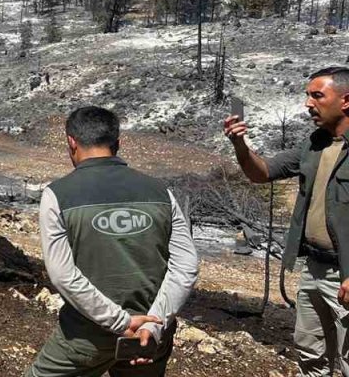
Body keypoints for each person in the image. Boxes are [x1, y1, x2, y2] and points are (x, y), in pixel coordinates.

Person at [26, 106, 198, 377]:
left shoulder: (58, 195)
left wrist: (122, 322)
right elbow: (186, 267)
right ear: (117, 143)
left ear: (71, 142)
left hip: (87, 337)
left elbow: (63, 275)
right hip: (150, 335)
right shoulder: (161, 192)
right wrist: (153, 324)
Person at [224, 66, 349, 376]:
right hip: (314, 268)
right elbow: (262, 172)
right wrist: (240, 143)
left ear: (346, 100)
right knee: (310, 354)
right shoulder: (315, 144)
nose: (308, 103)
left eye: (317, 96)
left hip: (345, 273)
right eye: (308, 95)